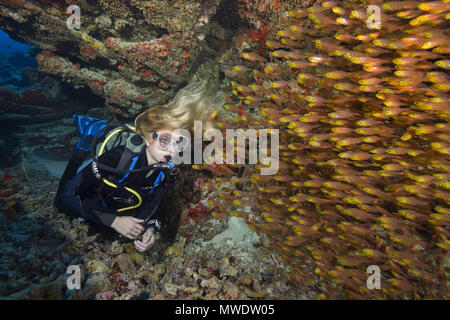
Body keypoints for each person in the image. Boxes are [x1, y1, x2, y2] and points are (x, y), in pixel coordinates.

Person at [54, 81, 218, 252]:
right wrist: (114, 221)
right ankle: (81, 150)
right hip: (95, 189)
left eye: (180, 144)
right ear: (148, 138)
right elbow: (64, 199)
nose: (171, 150)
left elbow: (154, 206)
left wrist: (150, 230)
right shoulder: (119, 157)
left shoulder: (168, 170)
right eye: (164, 140)